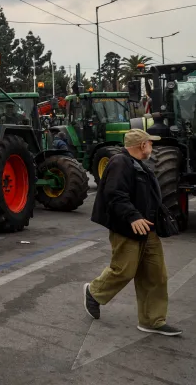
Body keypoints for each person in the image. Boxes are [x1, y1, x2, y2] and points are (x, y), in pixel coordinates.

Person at [83, 129, 182, 336]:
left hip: (148, 229)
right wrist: (133, 216)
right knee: (124, 270)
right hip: (127, 229)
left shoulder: (140, 165)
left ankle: (152, 320)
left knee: (156, 275)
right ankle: (94, 292)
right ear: (142, 145)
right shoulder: (120, 163)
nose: (152, 147)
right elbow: (114, 194)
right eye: (150, 143)